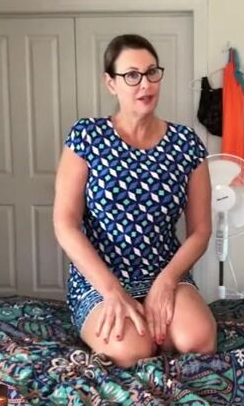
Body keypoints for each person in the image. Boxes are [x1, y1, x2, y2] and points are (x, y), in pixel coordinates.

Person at [53, 33, 217, 368]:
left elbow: (200, 231)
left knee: (198, 341)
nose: (145, 84)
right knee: (132, 351)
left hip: (165, 271)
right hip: (102, 277)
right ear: (110, 83)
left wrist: (167, 282)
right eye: (131, 75)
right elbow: (65, 223)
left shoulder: (186, 144)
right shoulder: (87, 136)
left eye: (151, 72)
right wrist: (112, 291)